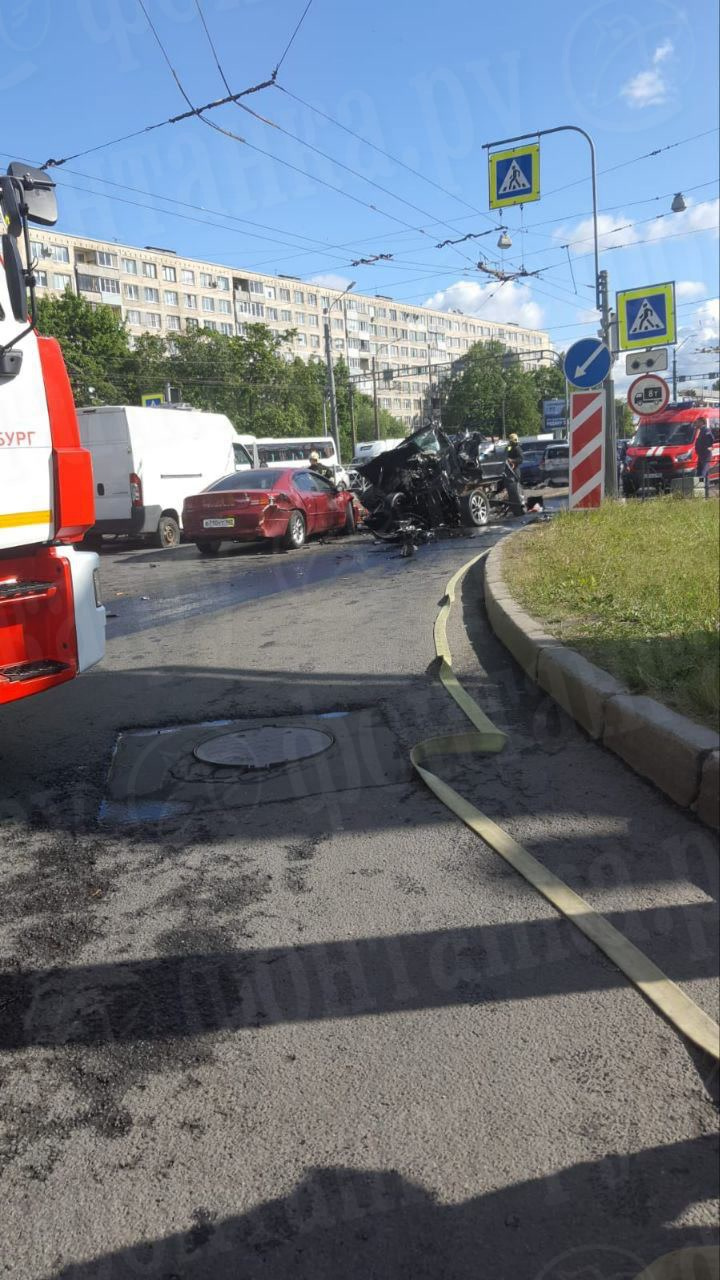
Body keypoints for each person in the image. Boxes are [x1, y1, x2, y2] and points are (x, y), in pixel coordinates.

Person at [695, 419, 714, 498]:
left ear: (702, 422)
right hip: (701, 456)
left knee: (702, 474)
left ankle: (700, 492)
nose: (696, 423)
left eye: (697, 422)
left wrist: (708, 448)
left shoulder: (705, 430)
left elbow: (711, 439)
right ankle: (705, 495)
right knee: (704, 474)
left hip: (705, 456)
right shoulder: (700, 430)